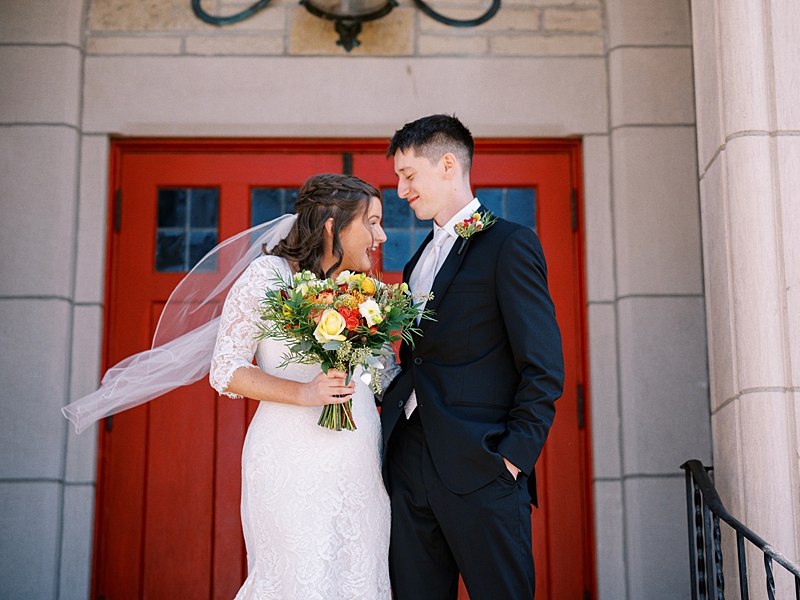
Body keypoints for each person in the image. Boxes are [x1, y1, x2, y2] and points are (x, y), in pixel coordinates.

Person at [380, 115, 564, 599]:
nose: (401, 191)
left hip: (483, 466)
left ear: (446, 164)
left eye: (408, 175)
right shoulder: (417, 261)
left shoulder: (509, 243)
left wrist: (512, 459)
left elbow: (542, 367)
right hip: (408, 464)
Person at [206, 173, 391, 599]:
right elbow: (226, 369)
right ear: (332, 226)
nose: (380, 235)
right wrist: (304, 394)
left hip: (360, 465)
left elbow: (381, 377)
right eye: (372, 222)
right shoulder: (268, 276)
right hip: (290, 464)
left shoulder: (363, 292)